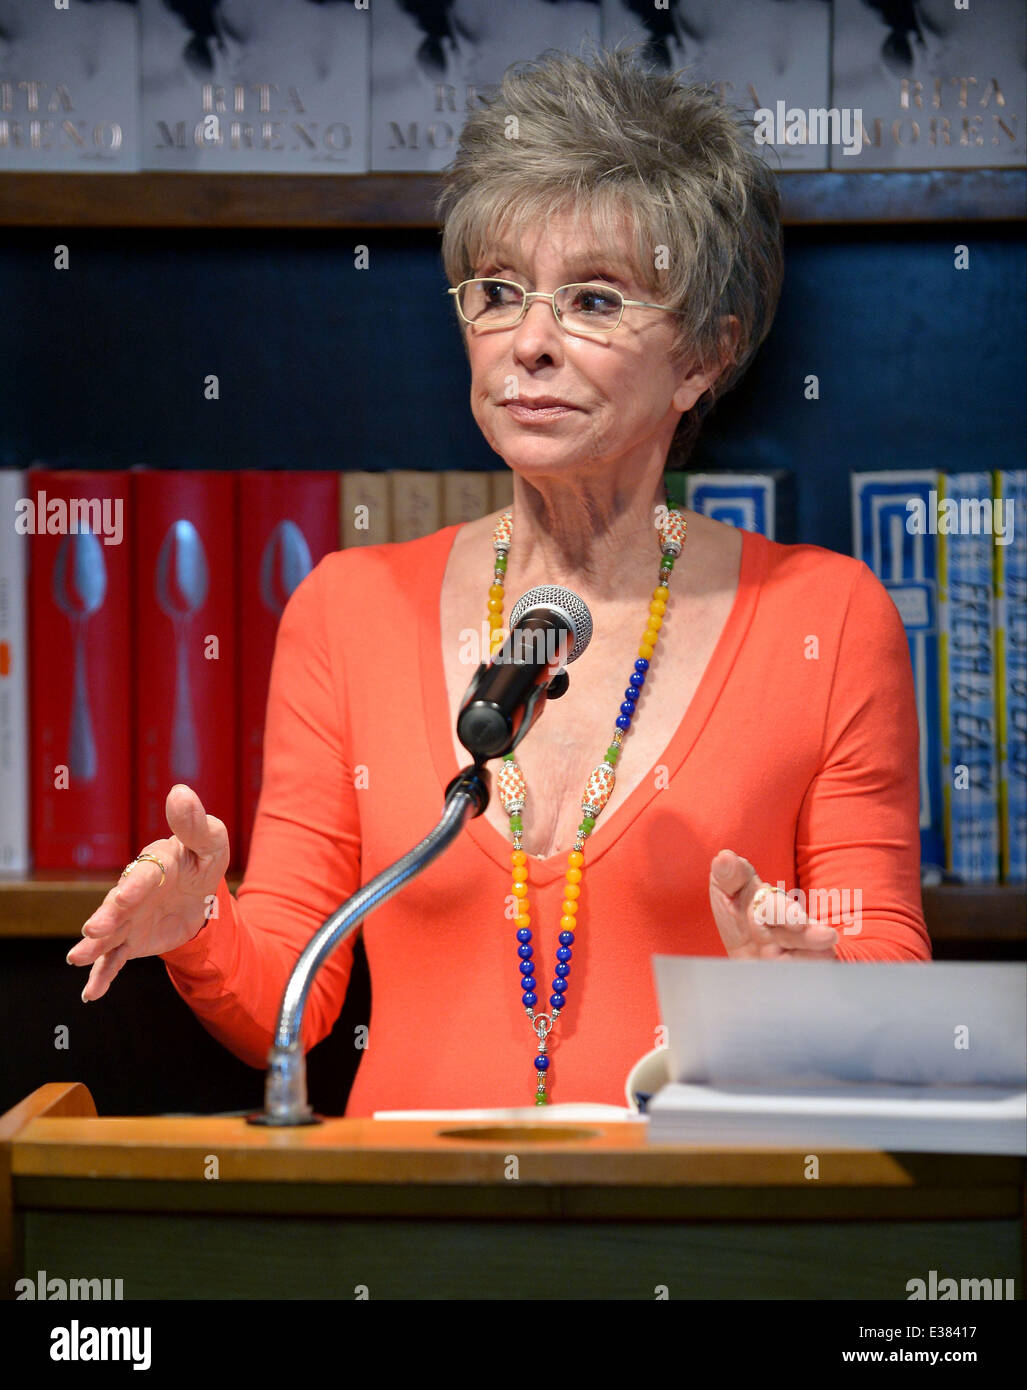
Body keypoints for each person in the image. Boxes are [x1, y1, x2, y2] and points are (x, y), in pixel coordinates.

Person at [66, 48, 931, 1115]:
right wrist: (199, 924)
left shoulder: (826, 617)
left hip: (701, 1239)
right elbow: (285, 1005)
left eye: (594, 300)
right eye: (496, 292)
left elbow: (894, 981)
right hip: (408, 1244)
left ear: (707, 354)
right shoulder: (347, 609)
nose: (528, 343)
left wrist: (816, 995)